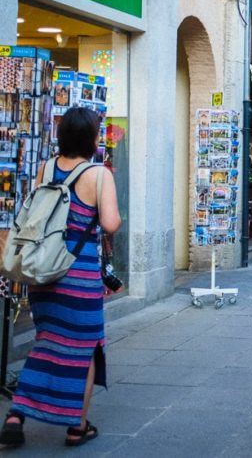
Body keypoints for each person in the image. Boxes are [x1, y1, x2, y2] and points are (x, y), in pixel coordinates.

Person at [0, 107, 121, 448]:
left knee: (46, 343)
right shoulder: (98, 174)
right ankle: (76, 427)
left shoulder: (46, 168)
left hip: (42, 275)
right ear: (92, 139)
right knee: (85, 349)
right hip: (77, 275)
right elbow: (111, 223)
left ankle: (15, 415)